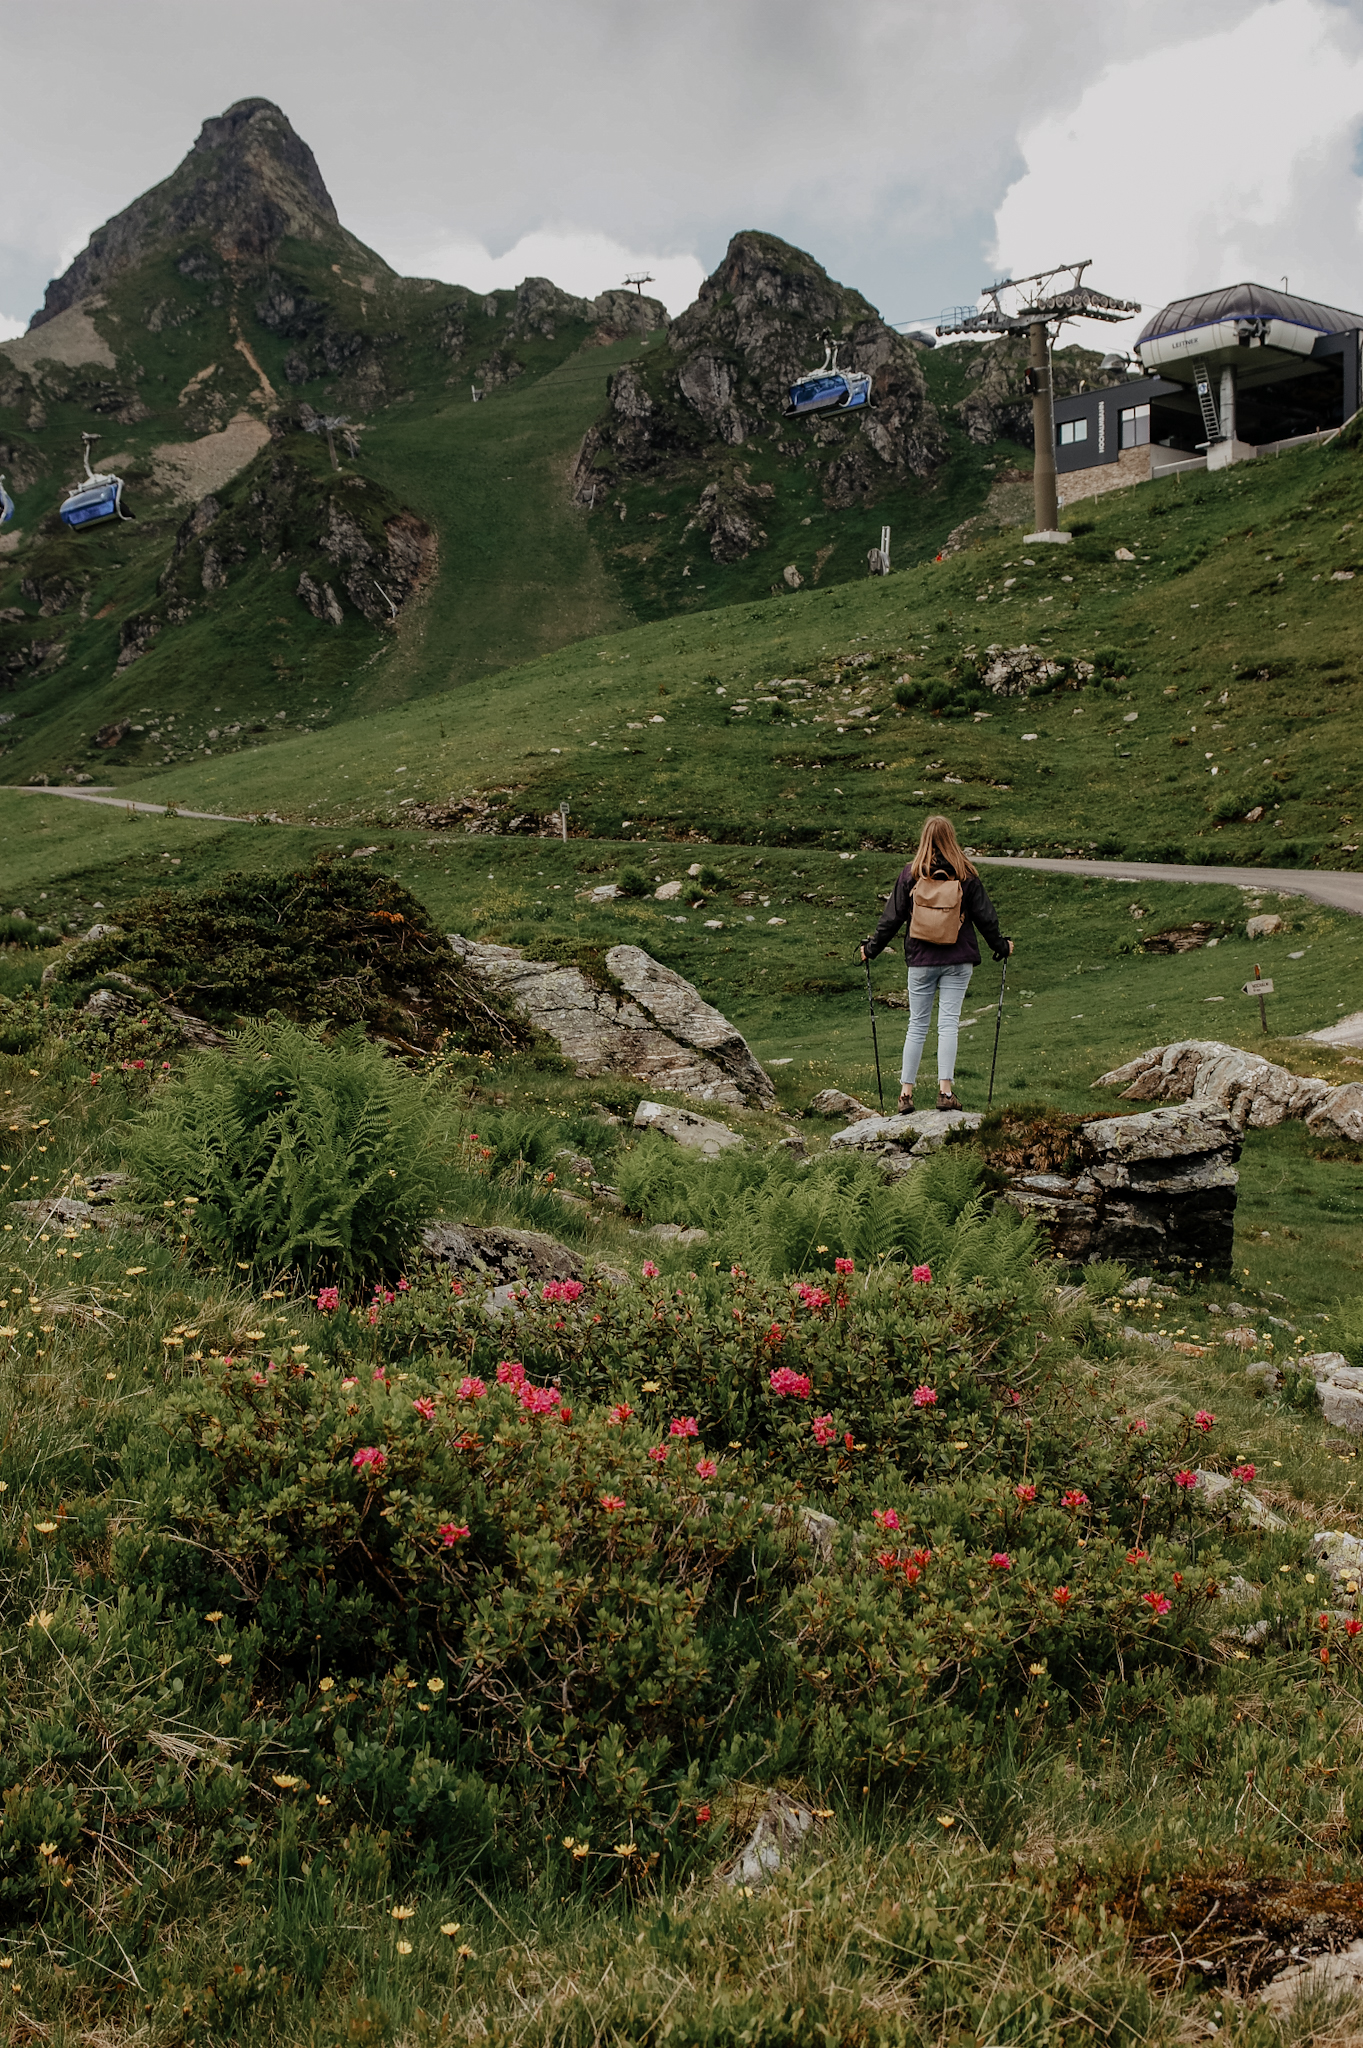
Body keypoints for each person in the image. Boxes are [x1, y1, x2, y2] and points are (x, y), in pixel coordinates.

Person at [860, 814, 1012, 1114]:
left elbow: (892, 918)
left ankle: (906, 1094)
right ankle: (945, 1091)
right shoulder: (965, 874)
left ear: (924, 839)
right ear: (951, 838)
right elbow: (985, 916)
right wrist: (1002, 946)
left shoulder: (911, 874)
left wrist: (871, 949)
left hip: (921, 960)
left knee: (916, 1024)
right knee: (948, 1023)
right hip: (958, 960)